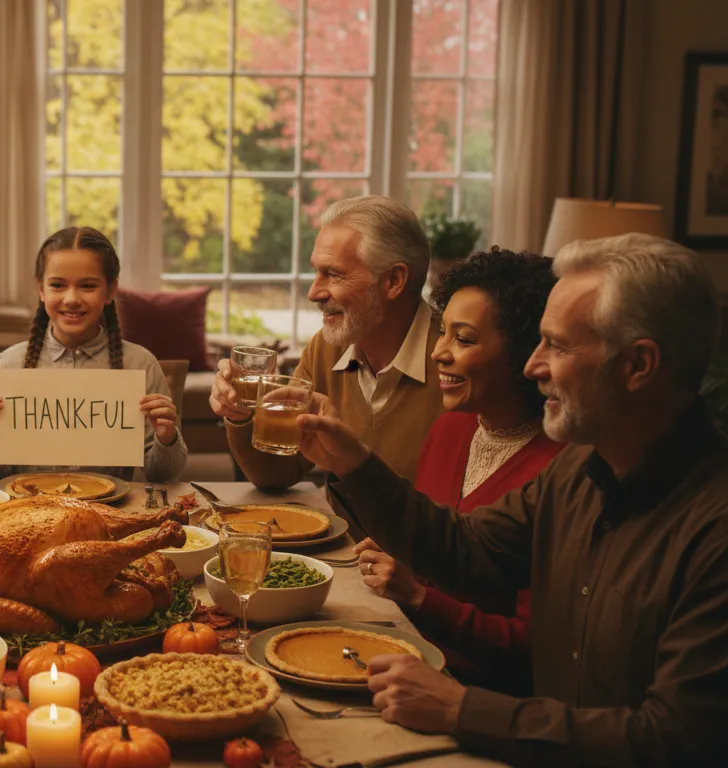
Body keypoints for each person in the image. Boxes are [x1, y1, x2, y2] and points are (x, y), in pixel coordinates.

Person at [295, 234, 728, 764]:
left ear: (638, 366)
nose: (533, 365)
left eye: (560, 346)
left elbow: (673, 738)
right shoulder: (576, 470)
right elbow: (467, 550)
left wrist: (462, 709)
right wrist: (351, 461)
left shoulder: (713, 527)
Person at [353, 248, 563, 697]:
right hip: (409, 657)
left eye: (463, 340)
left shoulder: (560, 470)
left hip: (477, 695)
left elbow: (532, 647)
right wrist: (400, 550)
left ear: (525, 353)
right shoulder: (452, 428)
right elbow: (440, 553)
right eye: (442, 333)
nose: (438, 353)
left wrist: (419, 598)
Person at [211, 195, 444, 496]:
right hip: (342, 542)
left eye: (333, 274)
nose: (313, 293)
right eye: (316, 272)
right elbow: (275, 473)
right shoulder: (326, 348)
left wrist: (404, 543)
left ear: (394, 281)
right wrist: (239, 415)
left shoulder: (456, 362)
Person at [0, 226, 187, 482]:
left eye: (88, 286)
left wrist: (166, 437)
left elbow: (162, 475)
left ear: (111, 290)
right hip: (30, 512)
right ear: (41, 289)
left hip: (110, 512)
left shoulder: (141, 365)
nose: (71, 298)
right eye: (58, 285)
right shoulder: (9, 364)